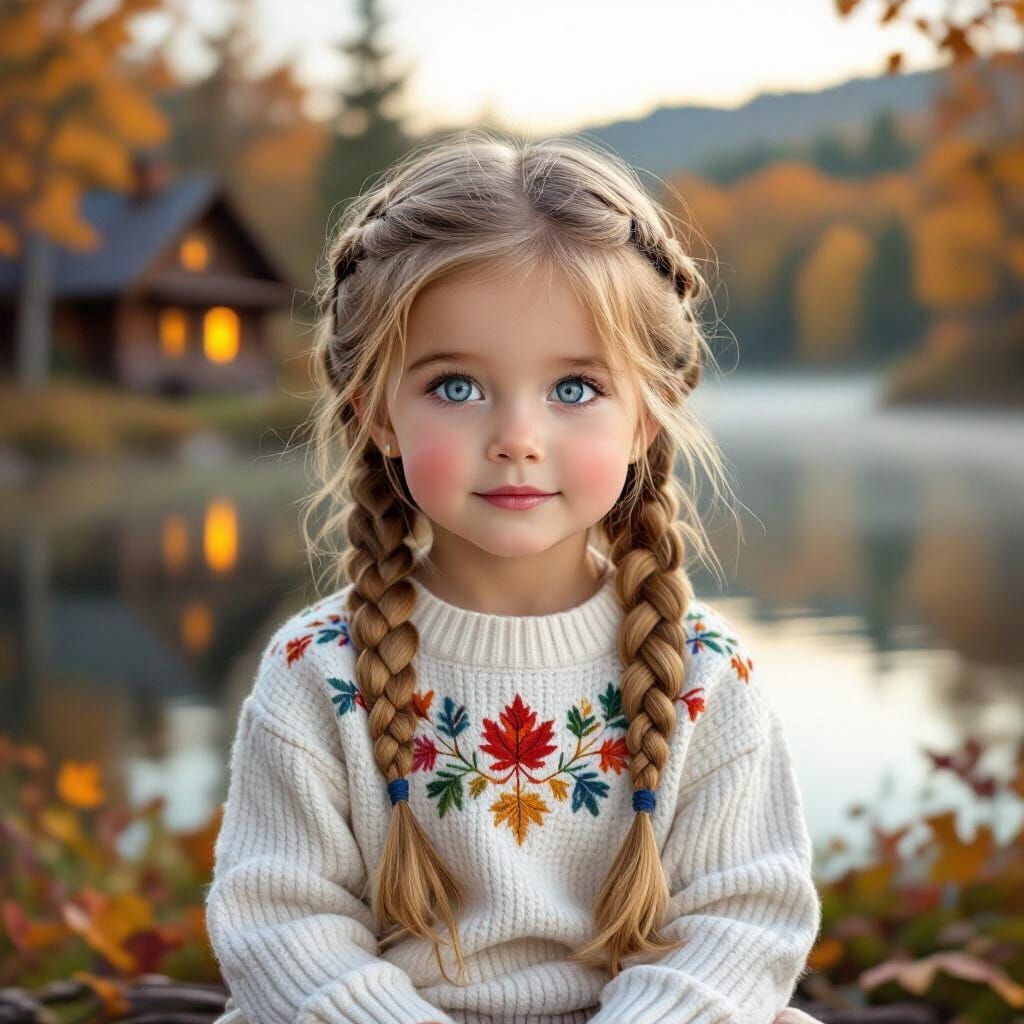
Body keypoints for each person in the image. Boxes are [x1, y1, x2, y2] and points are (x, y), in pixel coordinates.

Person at [203, 129, 825, 1024]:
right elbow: (283, 927)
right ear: (377, 414)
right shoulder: (318, 669)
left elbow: (742, 920)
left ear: (646, 417)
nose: (517, 439)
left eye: (574, 389)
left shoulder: (705, 673)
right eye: (456, 387)